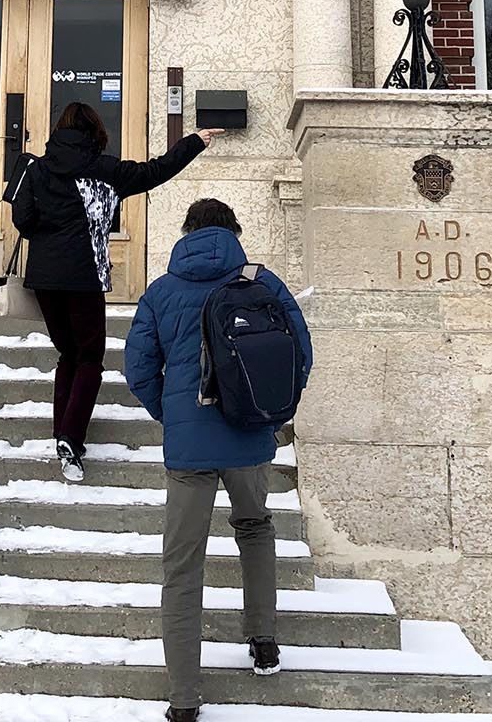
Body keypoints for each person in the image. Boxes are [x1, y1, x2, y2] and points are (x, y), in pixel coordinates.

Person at [123, 197, 312, 722]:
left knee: (182, 565)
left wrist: (175, 416)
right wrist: (272, 414)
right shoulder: (262, 282)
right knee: (254, 527)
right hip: (250, 437)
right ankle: (264, 640)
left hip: (189, 451)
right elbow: (301, 352)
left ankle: (184, 698)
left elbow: (137, 368)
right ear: (234, 232)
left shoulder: (161, 291)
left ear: (185, 233)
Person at [8, 102, 215, 481]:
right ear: (95, 132)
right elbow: (155, 171)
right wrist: (193, 143)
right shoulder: (104, 170)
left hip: (45, 279)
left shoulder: (36, 168)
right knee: (89, 357)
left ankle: (63, 432)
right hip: (84, 276)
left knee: (67, 353)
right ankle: (70, 437)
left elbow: (23, 220)